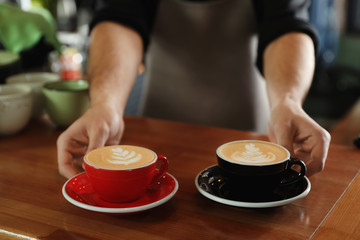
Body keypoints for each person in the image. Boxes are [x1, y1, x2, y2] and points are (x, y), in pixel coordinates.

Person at [57, 0, 331, 179]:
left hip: (252, 131)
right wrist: (105, 103)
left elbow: (286, 23)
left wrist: (288, 101)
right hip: (159, 127)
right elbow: (119, 16)